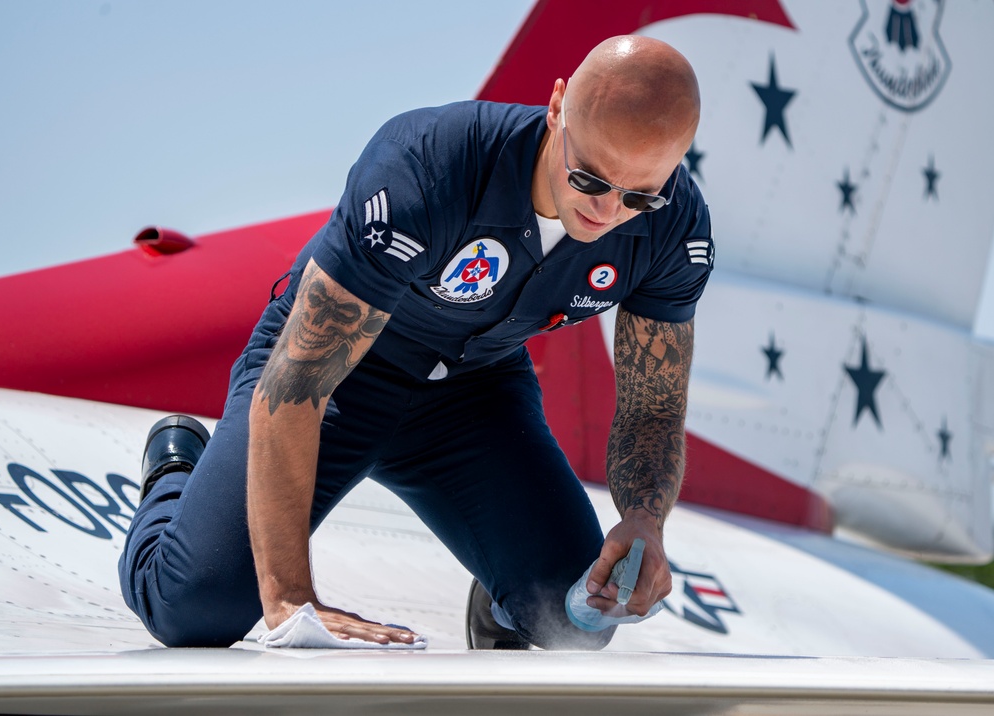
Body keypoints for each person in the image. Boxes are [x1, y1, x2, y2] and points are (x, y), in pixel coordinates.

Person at [119, 34, 711, 651]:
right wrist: (294, 598)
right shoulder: (425, 165)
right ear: (557, 107)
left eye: (639, 194)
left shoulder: (676, 227)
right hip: (337, 380)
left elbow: (654, 404)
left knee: (574, 619)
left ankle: (502, 593)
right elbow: (299, 378)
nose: (609, 211)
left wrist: (645, 519)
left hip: (471, 396)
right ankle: (176, 466)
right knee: (193, 612)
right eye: (589, 178)